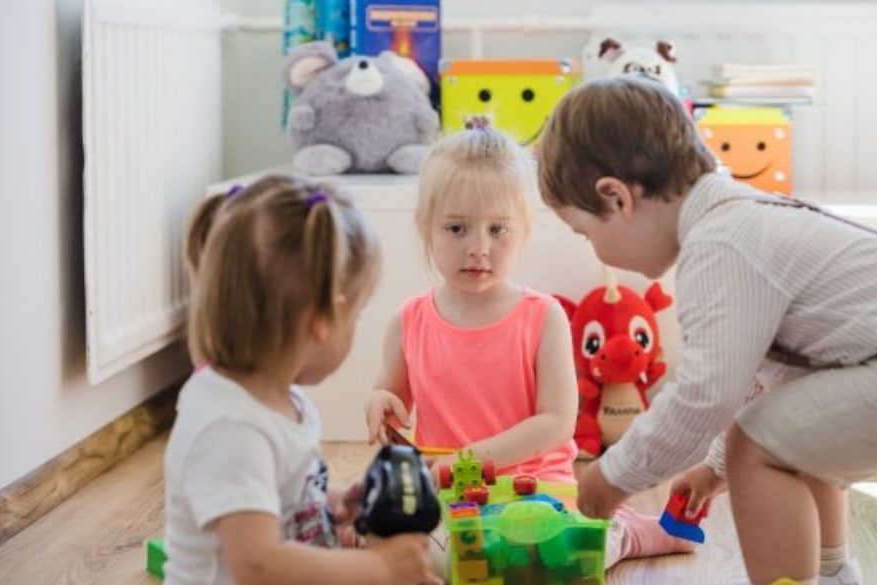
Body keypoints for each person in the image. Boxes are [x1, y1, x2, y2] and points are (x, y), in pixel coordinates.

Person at [537, 76, 877, 585]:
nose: (597, 252)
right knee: (795, 429)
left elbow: (703, 395)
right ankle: (833, 575)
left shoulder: (719, 245)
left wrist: (613, 477)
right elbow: (772, 381)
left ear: (617, 199)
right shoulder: (741, 217)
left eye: (586, 234)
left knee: (757, 446)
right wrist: (715, 468)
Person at [364, 127, 695, 572]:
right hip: (449, 492)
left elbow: (556, 424)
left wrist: (467, 461)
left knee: (547, 560)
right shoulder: (408, 322)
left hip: (533, 486)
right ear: (427, 228)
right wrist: (380, 400)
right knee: (401, 553)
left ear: (523, 231)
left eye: (498, 229)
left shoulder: (544, 316)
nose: (478, 248)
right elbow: (394, 402)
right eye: (457, 228)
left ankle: (622, 533)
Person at [165, 175, 439, 585]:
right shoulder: (230, 427)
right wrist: (378, 569)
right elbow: (258, 565)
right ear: (322, 321)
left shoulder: (283, 401)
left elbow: (281, 499)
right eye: (356, 316)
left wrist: (334, 502)